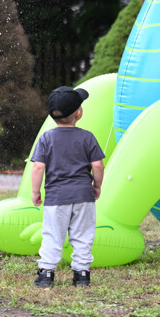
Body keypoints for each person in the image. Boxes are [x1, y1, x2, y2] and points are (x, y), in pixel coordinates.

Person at [30, 85, 105, 288]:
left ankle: (46, 273)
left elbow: (38, 167)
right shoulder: (87, 136)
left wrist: (36, 192)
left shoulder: (46, 138)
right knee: (83, 235)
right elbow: (97, 164)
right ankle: (81, 274)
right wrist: (96, 187)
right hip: (83, 196)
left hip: (56, 198)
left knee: (53, 235)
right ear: (78, 113)